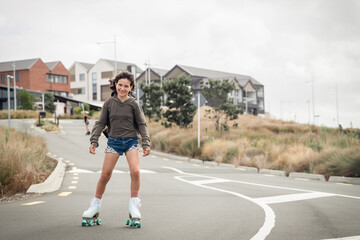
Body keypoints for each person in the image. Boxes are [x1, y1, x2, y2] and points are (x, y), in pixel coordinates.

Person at [81, 71, 151, 227]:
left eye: (126, 86)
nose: (123, 89)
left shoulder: (133, 104)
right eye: (120, 85)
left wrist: (146, 143)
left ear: (131, 87)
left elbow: (142, 125)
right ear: (116, 85)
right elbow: (100, 123)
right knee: (105, 175)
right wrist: (94, 140)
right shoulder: (109, 103)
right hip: (113, 142)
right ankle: (95, 205)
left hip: (131, 142)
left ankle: (134, 205)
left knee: (135, 171)